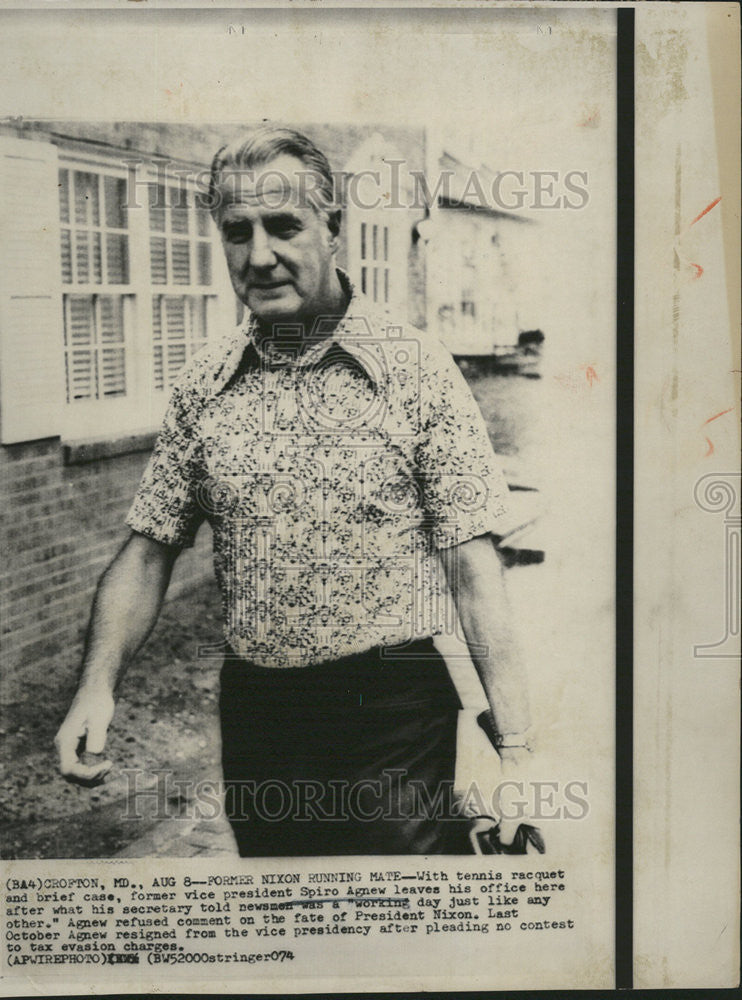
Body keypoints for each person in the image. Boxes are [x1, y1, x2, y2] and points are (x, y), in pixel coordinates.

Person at [55, 125, 535, 856]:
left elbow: (473, 568)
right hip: (261, 714)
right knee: (289, 931)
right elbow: (148, 550)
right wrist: (96, 688)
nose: (259, 256)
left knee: (393, 934)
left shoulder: (415, 370)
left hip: (392, 713)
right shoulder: (204, 384)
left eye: (284, 227)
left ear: (333, 228)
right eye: (237, 231)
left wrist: (520, 751)